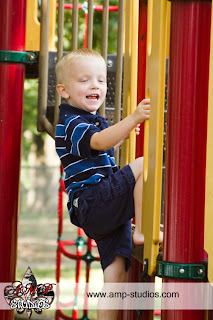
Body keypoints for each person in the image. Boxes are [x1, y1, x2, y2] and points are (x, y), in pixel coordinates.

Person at [55, 48, 152, 319]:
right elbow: (98, 142)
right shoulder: (71, 121)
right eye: (84, 80)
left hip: (99, 212)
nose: (95, 85)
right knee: (144, 164)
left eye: (101, 80)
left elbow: (101, 145)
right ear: (64, 91)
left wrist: (123, 133)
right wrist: (132, 119)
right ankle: (141, 232)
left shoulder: (89, 121)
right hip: (95, 200)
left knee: (116, 278)